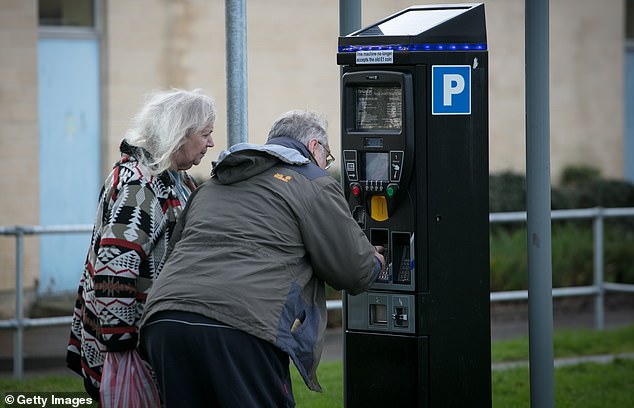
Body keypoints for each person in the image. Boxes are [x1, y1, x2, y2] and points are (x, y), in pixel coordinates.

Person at [139, 109, 385, 407]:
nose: (324, 166)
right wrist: (376, 261)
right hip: (240, 326)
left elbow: (177, 250)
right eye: (327, 158)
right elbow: (352, 270)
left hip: (165, 321)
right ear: (314, 148)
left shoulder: (213, 185)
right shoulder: (313, 183)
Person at [66, 88, 217, 401]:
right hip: (132, 345)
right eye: (205, 134)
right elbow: (113, 269)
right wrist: (121, 348)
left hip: (151, 338)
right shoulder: (140, 183)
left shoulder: (176, 179)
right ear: (179, 134)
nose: (211, 143)